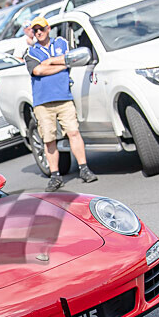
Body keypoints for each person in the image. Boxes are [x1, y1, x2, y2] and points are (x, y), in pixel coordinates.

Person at [24, 17, 97, 192]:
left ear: (48, 28)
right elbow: (38, 70)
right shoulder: (31, 52)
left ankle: (84, 168)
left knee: (73, 132)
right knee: (49, 139)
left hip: (64, 96)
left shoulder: (61, 43)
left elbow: (71, 58)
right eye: (35, 30)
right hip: (43, 101)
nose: (39, 33)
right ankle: (55, 176)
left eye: (41, 29)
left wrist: (51, 62)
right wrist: (61, 64)